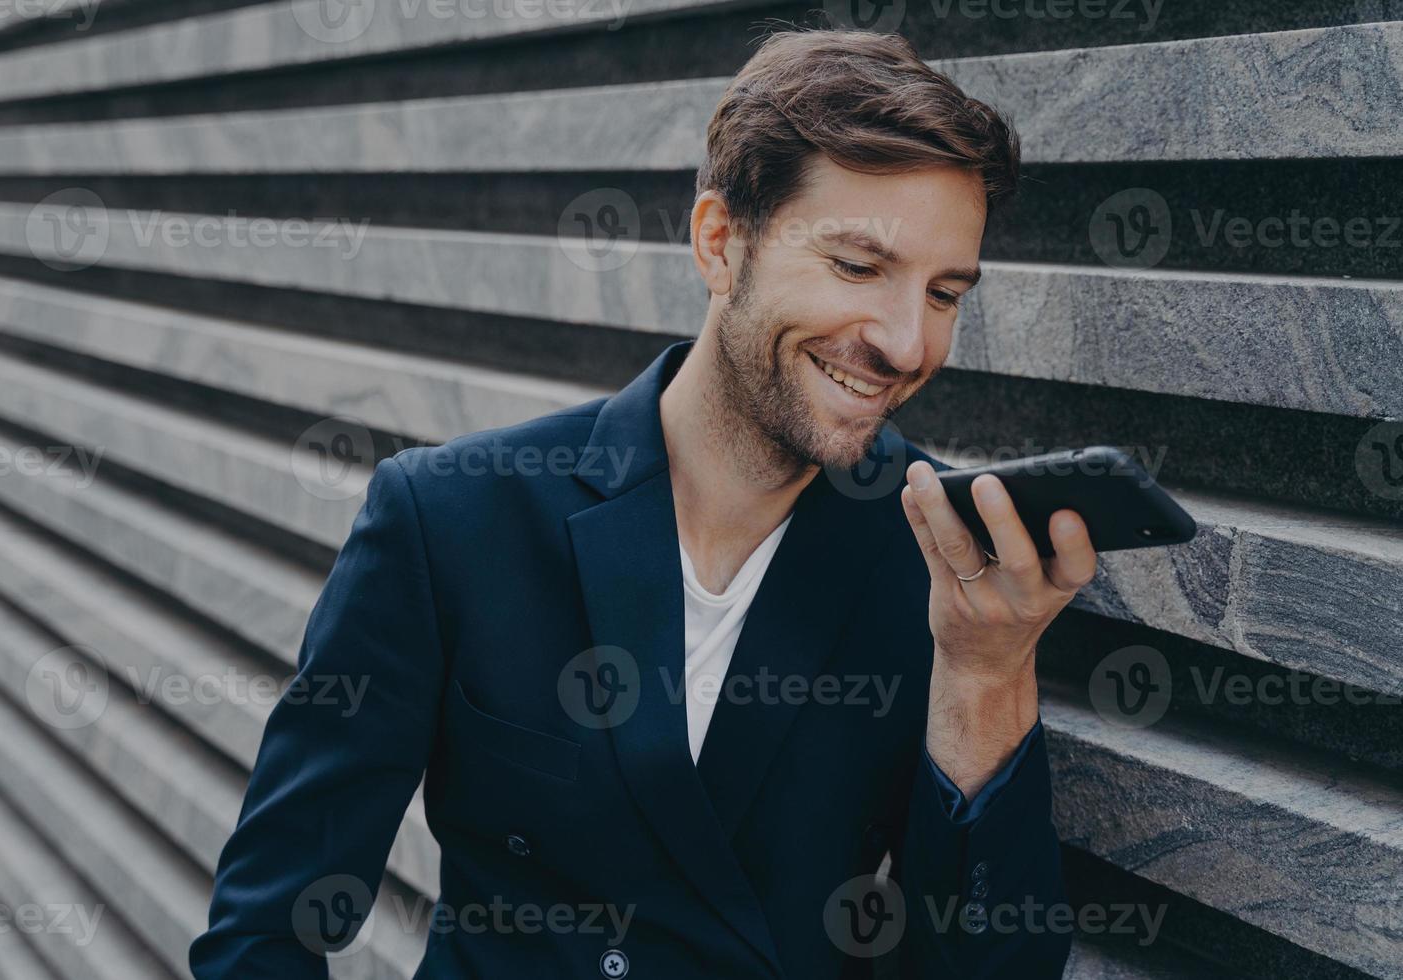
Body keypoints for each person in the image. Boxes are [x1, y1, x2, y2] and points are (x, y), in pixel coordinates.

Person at [192, 27, 1095, 980]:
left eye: (946, 293)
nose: (908, 343)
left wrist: (985, 677)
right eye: (858, 267)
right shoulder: (453, 519)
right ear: (719, 242)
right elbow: (268, 927)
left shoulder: (946, 570)